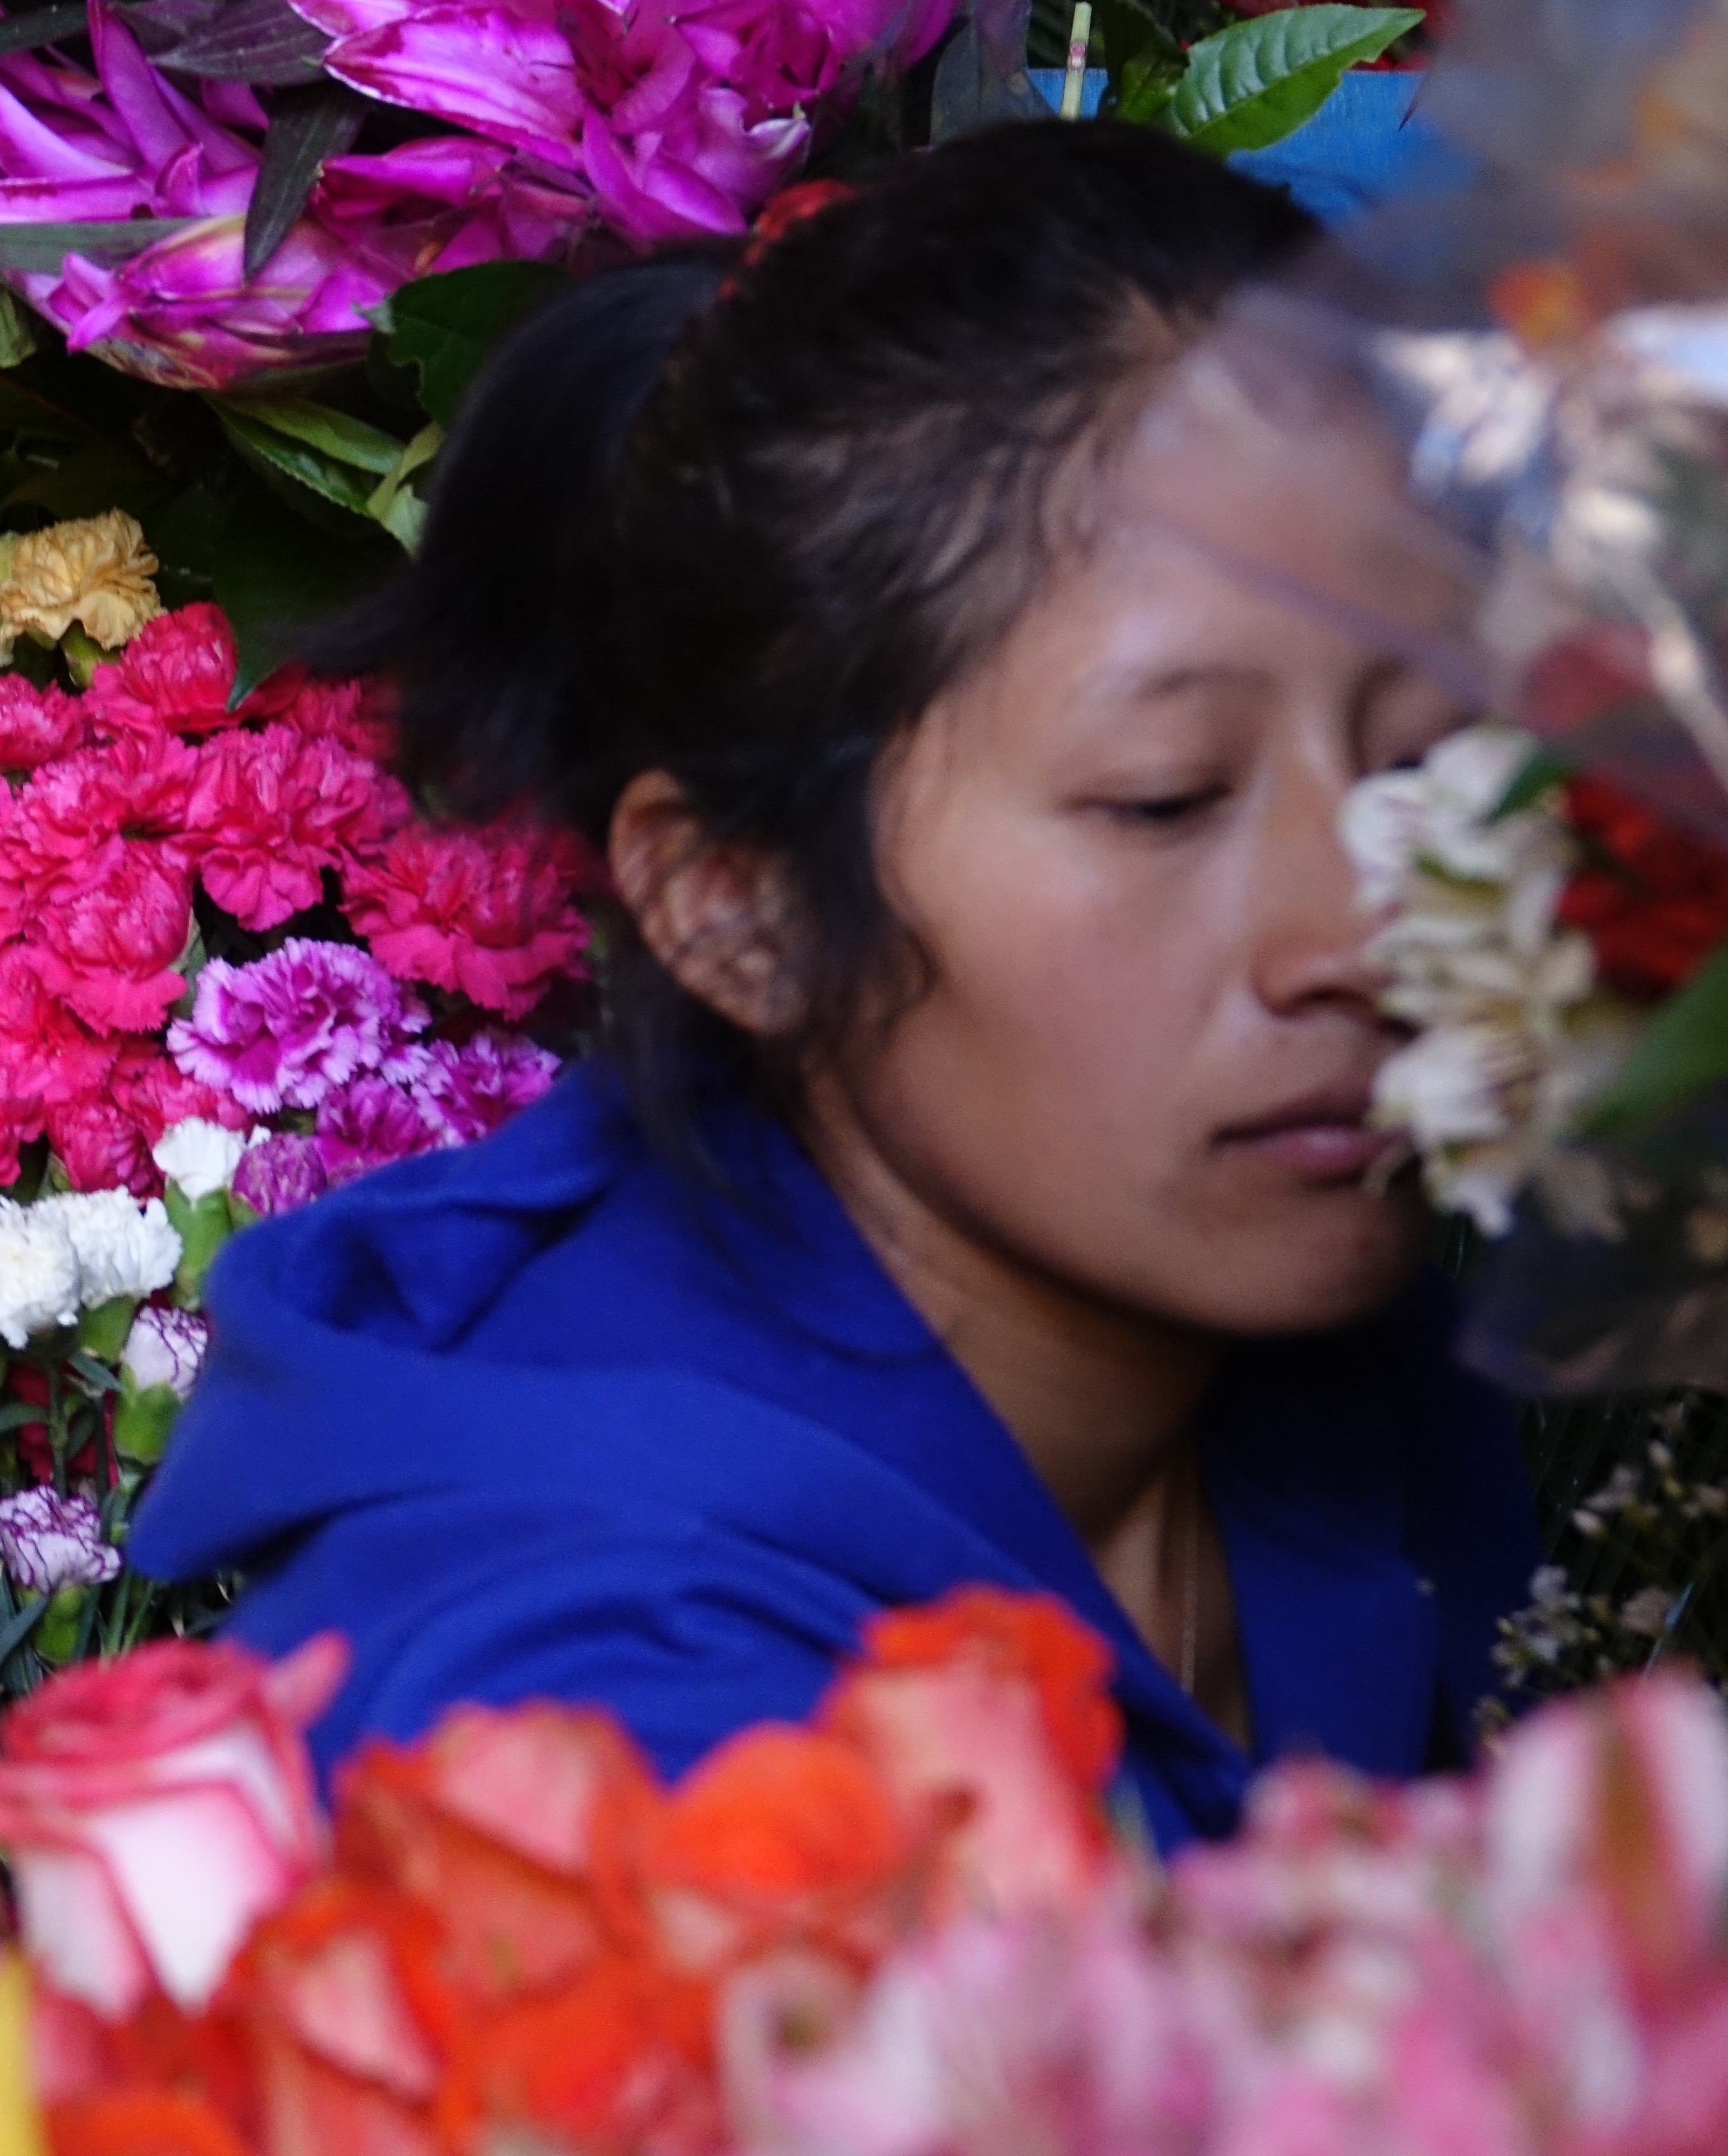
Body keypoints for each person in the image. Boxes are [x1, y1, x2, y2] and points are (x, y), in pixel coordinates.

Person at [123, 118, 1539, 1851]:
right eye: (1167, 800)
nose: (1371, 925)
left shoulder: (1348, 1359)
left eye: (1426, 760)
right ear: (738, 908)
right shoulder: (602, 1758)